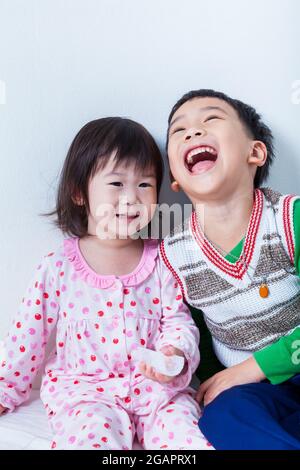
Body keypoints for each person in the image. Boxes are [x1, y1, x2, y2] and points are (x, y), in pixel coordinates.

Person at [0, 117, 211, 450]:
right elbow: (27, 337)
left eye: (144, 184)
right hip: (87, 394)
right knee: (91, 440)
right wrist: (6, 389)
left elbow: (178, 321)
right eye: (116, 184)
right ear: (79, 193)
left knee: (190, 438)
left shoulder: (162, 261)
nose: (131, 197)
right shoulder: (58, 268)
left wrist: (175, 354)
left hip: (157, 392)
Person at [160, 89, 300, 449]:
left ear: (254, 152)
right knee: (222, 416)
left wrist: (254, 367)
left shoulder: (289, 219)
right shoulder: (174, 254)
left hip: (267, 368)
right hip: (258, 395)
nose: (192, 132)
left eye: (211, 120)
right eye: (179, 131)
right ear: (176, 178)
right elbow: (194, 332)